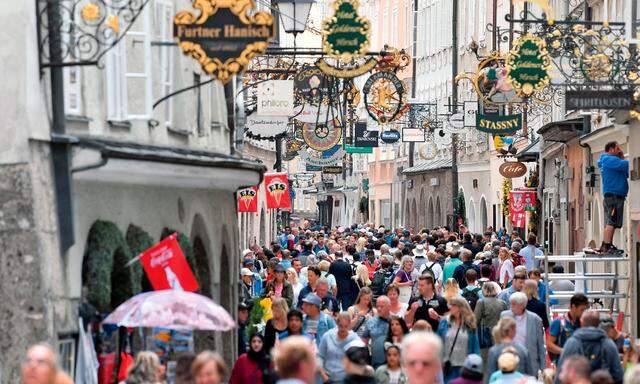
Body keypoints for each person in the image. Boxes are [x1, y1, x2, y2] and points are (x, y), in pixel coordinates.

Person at [555, 311, 623, 384]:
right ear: (598, 324)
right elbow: (618, 375)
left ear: (581, 322)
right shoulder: (609, 344)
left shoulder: (572, 343)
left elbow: (560, 375)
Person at [500, 292, 546, 376]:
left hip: (530, 362)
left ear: (522, 305)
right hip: (509, 360)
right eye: (510, 304)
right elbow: (500, 338)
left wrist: (543, 367)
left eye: (513, 304)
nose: (511, 307)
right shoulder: (504, 316)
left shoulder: (535, 319)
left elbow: (540, 344)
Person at [436, 296, 480, 383]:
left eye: (452, 305)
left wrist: (475, 364)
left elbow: (475, 345)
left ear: (460, 308)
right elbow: (438, 342)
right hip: (447, 366)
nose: (449, 307)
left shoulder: (469, 324)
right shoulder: (445, 322)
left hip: (465, 366)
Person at [597, 141, 629, 253]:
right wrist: (623, 157)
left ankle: (607, 244)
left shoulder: (605, 161)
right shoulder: (610, 160)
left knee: (610, 222)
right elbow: (627, 165)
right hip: (614, 197)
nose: (619, 150)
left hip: (610, 197)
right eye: (617, 148)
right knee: (612, 221)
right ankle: (606, 246)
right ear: (610, 150)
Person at [317, 312, 360, 383]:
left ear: (349, 325)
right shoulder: (328, 336)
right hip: (327, 377)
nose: (343, 329)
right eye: (340, 326)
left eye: (346, 326)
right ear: (337, 323)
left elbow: (358, 362)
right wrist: (323, 375)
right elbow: (320, 356)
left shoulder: (355, 339)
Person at [548, 293, 589, 362]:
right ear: (573, 307)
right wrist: (565, 351)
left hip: (580, 363)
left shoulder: (584, 323)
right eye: (581, 310)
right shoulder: (558, 322)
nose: (583, 313)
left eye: (585, 310)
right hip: (563, 364)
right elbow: (549, 345)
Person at [474, 282, 507, 353]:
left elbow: (476, 320)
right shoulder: (502, 303)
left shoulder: (481, 302)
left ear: (484, 290)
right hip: (500, 334)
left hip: (486, 335)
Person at [363, 295, 392, 369]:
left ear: (389, 307)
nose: (379, 309)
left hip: (394, 364)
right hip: (376, 364)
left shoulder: (396, 322)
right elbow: (364, 342)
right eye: (377, 306)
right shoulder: (370, 322)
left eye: (382, 306)